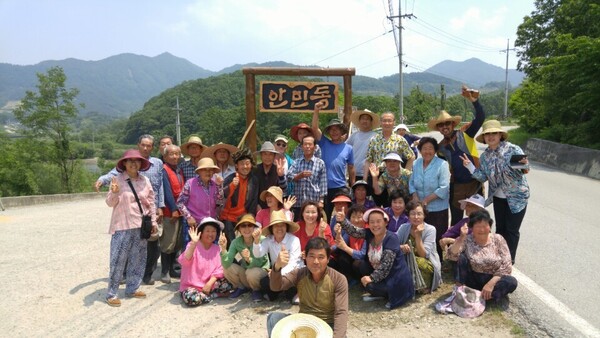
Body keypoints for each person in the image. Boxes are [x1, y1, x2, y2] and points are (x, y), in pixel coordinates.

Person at [95, 134, 165, 286]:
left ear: (152, 147)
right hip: (128, 216)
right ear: (138, 145)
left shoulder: (157, 163)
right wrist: (101, 180)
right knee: (126, 249)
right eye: (143, 145)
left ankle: (146, 275)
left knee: (151, 245)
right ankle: (122, 277)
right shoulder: (127, 166)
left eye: (149, 145)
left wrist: (160, 206)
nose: (146, 148)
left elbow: (160, 186)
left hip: (148, 212)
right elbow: (112, 175)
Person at [461, 120, 530, 263]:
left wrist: (523, 166)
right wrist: (469, 166)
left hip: (517, 197)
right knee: (500, 229)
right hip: (498, 197)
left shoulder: (513, 149)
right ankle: (499, 258)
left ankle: (509, 261)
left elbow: (526, 170)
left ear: (500, 135)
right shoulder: (485, 156)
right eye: (487, 134)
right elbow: (482, 176)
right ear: (484, 138)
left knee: (512, 230)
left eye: (494, 133)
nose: (491, 136)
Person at [104, 149, 157, 307]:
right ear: (124, 164)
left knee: (138, 258)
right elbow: (109, 203)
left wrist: (153, 222)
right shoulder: (117, 180)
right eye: (130, 160)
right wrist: (114, 193)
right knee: (117, 260)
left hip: (141, 226)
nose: (134, 163)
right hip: (122, 226)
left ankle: (132, 288)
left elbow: (151, 202)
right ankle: (112, 293)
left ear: (141, 163)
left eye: (137, 160)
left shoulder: (145, 180)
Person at [267, 237, 349, 338]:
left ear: (328, 259)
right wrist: (277, 267)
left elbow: (341, 312)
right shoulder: (299, 273)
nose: (316, 261)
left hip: (328, 325)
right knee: (273, 318)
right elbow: (276, 287)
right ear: (305, 256)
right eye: (311, 256)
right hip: (304, 322)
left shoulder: (338, 279)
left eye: (321, 257)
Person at [428, 86, 485, 227]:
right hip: (456, 187)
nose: (444, 126)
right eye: (440, 125)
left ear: (453, 124)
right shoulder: (440, 148)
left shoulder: (465, 134)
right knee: (456, 222)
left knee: (478, 220)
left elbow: (480, 118)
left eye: (447, 123)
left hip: (475, 183)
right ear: (438, 128)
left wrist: (475, 101)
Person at [337, 207, 414, 309]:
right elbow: (354, 231)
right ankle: (379, 291)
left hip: (395, 278)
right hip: (381, 272)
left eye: (378, 221)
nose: (375, 225)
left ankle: (386, 295)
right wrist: (343, 220)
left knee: (370, 286)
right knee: (362, 266)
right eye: (372, 222)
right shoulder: (370, 233)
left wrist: (371, 278)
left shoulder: (391, 238)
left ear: (386, 223)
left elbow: (385, 267)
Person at [447, 209, 518, 303]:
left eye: (485, 226)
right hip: (473, 279)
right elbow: (452, 256)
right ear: (471, 227)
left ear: (490, 226)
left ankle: (482, 297)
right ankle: (463, 291)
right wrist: (461, 238)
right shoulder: (467, 239)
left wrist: (490, 284)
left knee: (511, 282)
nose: (482, 230)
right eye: (478, 226)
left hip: (494, 278)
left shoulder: (498, 239)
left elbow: (507, 265)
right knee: (460, 257)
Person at [409, 136, 450, 261]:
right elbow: (411, 182)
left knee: (437, 234)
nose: (427, 151)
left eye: (430, 148)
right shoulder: (416, 163)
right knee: (421, 233)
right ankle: (422, 259)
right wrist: (415, 197)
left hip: (437, 207)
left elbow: (444, 187)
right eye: (424, 148)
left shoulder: (442, 164)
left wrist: (426, 200)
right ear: (420, 150)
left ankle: (437, 262)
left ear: (435, 150)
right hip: (419, 208)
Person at [312, 102, 355, 219]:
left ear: (342, 132)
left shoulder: (348, 148)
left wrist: (353, 185)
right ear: (329, 132)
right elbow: (314, 128)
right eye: (332, 129)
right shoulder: (324, 143)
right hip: (324, 187)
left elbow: (351, 168)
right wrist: (316, 111)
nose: (334, 132)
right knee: (324, 216)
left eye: (337, 129)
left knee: (343, 216)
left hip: (340, 187)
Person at [178, 217, 233, 306]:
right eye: (207, 231)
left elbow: (220, 268)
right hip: (191, 287)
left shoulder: (217, 248)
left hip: (209, 284)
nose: (210, 234)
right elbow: (184, 261)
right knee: (192, 298)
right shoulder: (192, 245)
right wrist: (193, 243)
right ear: (201, 232)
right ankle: (211, 296)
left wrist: (209, 283)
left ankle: (205, 295)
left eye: (213, 231)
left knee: (228, 285)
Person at [253, 210, 303, 303]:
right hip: (276, 272)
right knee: (264, 283)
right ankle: (277, 293)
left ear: (286, 226)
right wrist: (256, 242)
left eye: (282, 225)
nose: (279, 228)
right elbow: (258, 254)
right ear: (271, 228)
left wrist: (276, 273)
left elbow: (294, 263)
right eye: (276, 225)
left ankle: (287, 292)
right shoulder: (268, 240)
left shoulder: (294, 240)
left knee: (290, 292)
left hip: (292, 273)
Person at [219, 214, 269, 302]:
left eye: (250, 225)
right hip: (247, 273)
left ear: (254, 227)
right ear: (239, 229)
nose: (247, 228)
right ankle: (241, 287)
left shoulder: (262, 239)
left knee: (251, 272)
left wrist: (249, 260)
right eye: (243, 226)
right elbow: (227, 263)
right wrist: (223, 249)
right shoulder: (236, 242)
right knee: (227, 268)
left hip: (261, 274)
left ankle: (256, 290)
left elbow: (262, 262)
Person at [177, 157, 224, 251]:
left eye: (210, 170)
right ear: (199, 172)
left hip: (210, 224)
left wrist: (219, 186)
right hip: (194, 224)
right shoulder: (190, 183)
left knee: (210, 251)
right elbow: (180, 203)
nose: (208, 172)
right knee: (192, 251)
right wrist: (189, 217)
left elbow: (220, 202)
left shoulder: (215, 184)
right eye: (204, 170)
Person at [396, 201, 442, 293]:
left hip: (426, 262)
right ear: (408, 215)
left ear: (424, 215)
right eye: (412, 214)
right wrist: (401, 247)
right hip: (407, 260)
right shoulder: (403, 228)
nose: (416, 217)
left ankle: (422, 285)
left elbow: (423, 254)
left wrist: (418, 236)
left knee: (417, 261)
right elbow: (393, 244)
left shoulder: (430, 229)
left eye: (419, 214)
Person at [221, 148, 259, 246]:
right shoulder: (230, 178)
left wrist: (251, 217)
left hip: (244, 215)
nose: (245, 166)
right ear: (236, 166)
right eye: (242, 164)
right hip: (228, 216)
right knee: (231, 243)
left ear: (251, 165)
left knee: (247, 242)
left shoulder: (254, 180)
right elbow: (222, 195)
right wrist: (232, 186)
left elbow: (254, 200)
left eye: (247, 163)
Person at [286, 135, 327, 220]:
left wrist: (321, 201)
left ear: (315, 147)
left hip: (314, 203)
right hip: (298, 203)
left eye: (310, 144)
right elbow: (288, 176)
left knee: (313, 226)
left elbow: (323, 184)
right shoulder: (296, 162)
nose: (307, 146)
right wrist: (299, 176)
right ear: (301, 147)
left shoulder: (320, 163)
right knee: (298, 227)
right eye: (305, 144)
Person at [160, 144, 185, 283]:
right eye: (171, 154)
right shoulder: (164, 170)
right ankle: (164, 271)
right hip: (171, 212)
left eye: (177, 154)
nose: (175, 156)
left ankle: (172, 269)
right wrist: (174, 209)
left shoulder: (178, 170)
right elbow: (167, 191)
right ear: (165, 156)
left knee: (177, 242)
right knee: (167, 242)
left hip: (180, 211)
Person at [331, 205, 368, 282]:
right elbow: (339, 244)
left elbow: (362, 255)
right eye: (353, 217)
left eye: (359, 217)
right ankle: (348, 278)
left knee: (358, 263)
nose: (356, 220)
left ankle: (360, 279)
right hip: (353, 256)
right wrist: (328, 249)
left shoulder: (368, 231)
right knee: (342, 256)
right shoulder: (350, 231)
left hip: (365, 261)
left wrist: (345, 247)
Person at [347, 109, 379, 181]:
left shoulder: (376, 137)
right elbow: (345, 150)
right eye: (363, 119)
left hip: (370, 173)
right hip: (354, 173)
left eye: (367, 119)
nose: (365, 121)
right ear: (359, 121)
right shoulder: (354, 136)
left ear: (371, 122)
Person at [254, 141, 287, 210]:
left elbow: (283, 189)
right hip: (257, 207)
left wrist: (281, 176)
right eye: (265, 154)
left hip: (275, 207)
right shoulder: (255, 170)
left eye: (270, 154)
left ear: (274, 156)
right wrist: (256, 205)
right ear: (261, 155)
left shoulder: (277, 169)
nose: (267, 157)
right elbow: (252, 190)